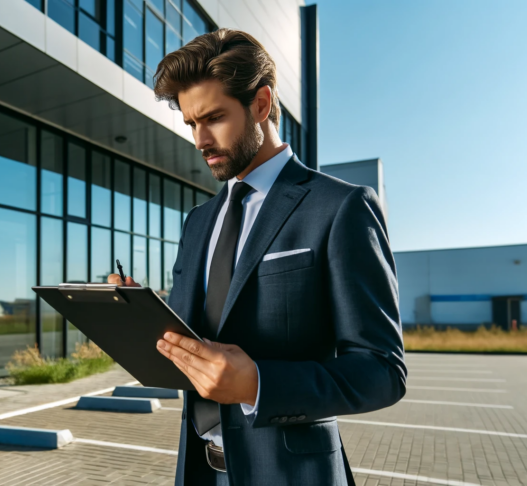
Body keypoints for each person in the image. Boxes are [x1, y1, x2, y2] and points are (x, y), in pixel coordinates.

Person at [109, 28, 406, 486]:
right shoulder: (198, 221)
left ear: (262, 105)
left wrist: (257, 385)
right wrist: (138, 317)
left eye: (213, 118)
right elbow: (192, 340)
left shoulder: (340, 207)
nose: (200, 139)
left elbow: (383, 371)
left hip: (291, 475)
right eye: (191, 123)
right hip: (199, 470)